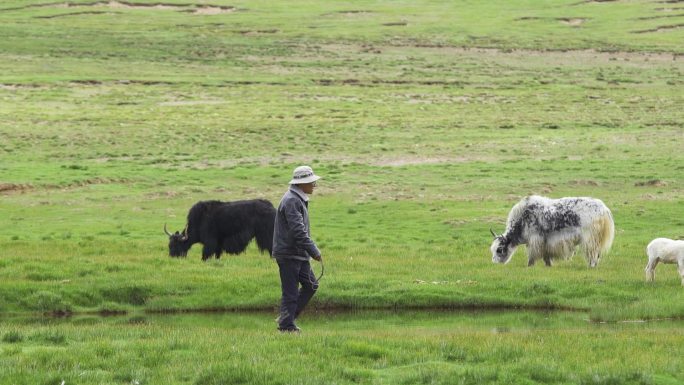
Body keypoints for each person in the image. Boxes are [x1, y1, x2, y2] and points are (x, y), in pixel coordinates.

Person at [272, 165, 323, 333]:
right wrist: (314, 250)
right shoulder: (292, 201)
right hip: (289, 254)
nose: (314, 185)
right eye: (311, 182)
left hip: (298, 254)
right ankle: (286, 326)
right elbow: (298, 231)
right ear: (301, 184)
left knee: (311, 285)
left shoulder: (297, 198)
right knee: (291, 292)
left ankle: (287, 319)